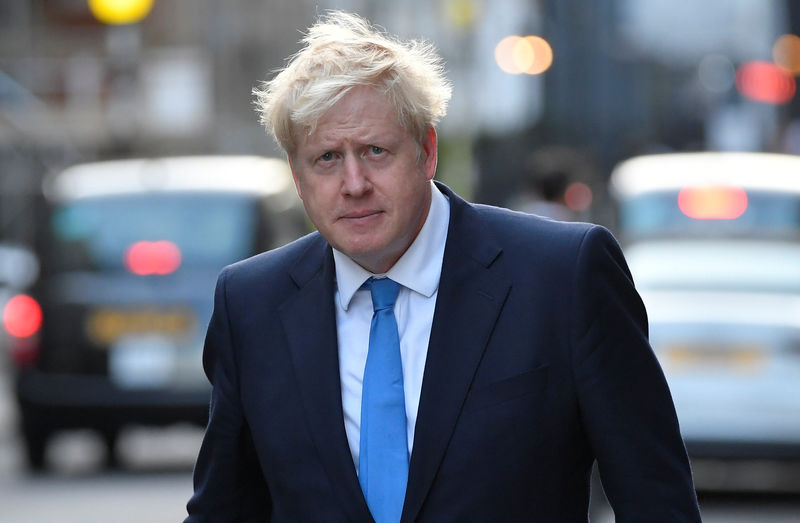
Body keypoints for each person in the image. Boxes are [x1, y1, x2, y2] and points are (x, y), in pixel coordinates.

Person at [185, 11, 701, 522]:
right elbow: (224, 511)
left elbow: (657, 502)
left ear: (427, 152)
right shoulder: (251, 305)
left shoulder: (562, 277)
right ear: (297, 178)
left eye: (375, 151)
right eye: (326, 159)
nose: (354, 182)